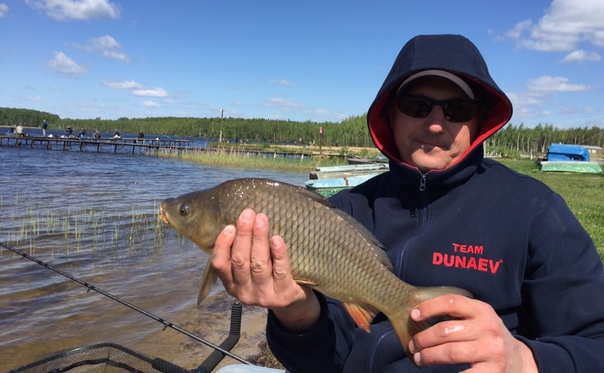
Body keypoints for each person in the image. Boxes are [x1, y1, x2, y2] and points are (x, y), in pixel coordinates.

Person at [212, 34, 604, 372]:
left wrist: (526, 361)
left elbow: (596, 343)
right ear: (390, 116)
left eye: (457, 109)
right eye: (417, 106)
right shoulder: (346, 211)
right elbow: (325, 363)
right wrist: (296, 314)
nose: (435, 123)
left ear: (478, 122)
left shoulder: (535, 209)